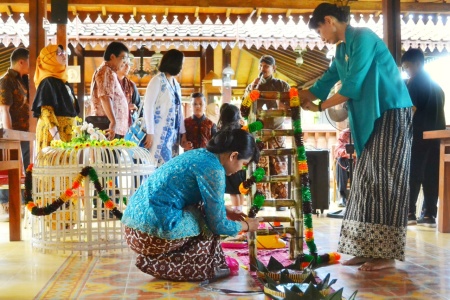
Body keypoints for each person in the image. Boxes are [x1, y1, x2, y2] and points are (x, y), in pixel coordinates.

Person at [300, 3, 412, 271]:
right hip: (371, 116)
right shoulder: (341, 50)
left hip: (391, 111)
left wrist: (318, 105)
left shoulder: (363, 37)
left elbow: (352, 86)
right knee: (365, 181)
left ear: (329, 20)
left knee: (385, 180)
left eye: (319, 31)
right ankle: (366, 249)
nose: (321, 37)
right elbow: (327, 80)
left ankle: (386, 256)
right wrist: (302, 95)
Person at [121, 129, 262, 281]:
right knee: (207, 218)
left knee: (205, 210)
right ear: (233, 156)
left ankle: (182, 263)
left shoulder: (200, 155)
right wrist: (246, 226)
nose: (240, 169)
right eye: (243, 164)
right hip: (149, 235)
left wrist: (226, 210)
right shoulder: (214, 169)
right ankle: (200, 267)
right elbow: (218, 225)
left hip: (132, 229)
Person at [401, 48, 446, 227]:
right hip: (437, 137)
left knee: (413, 172)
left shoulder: (416, 82)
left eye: (407, 67)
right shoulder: (437, 87)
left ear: (417, 64)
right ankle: (429, 215)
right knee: (431, 174)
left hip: (419, 135)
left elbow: (410, 110)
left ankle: (409, 213)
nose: (406, 71)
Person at [244, 54, 290, 211]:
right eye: (261, 66)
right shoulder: (253, 85)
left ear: (274, 68)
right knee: (260, 164)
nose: (263, 69)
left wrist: (279, 109)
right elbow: (245, 107)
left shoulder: (282, 85)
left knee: (280, 163)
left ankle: (282, 201)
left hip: (277, 129)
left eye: (266, 66)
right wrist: (253, 89)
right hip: (260, 130)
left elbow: (289, 105)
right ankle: (260, 200)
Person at [143, 49, 189, 167]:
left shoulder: (176, 84)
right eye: (181, 64)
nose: (182, 68)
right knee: (156, 166)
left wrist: (183, 132)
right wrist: (150, 132)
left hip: (173, 135)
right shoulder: (157, 81)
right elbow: (148, 107)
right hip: (158, 133)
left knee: (170, 168)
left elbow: (179, 110)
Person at [31, 45, 80, 153]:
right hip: (53, 135)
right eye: (59, 53)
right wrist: (56, 138)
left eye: (63, 52)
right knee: (55, 166)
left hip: (66, 134)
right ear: (49, 58)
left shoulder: (62, 82)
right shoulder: (47, 82)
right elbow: (46, 111)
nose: (64, 55)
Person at [0, 48, 30, 220]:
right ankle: (7, 206)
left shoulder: (22, 80)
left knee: (25, 170)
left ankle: (24, 205)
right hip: (13, 134)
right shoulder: (7, 80)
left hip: (24, 133)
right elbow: (4, 110)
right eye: (29, 61)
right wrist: (11, 135)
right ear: (21, 62)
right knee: (12, 169)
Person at [89, 41, 130, 140]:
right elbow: (105, 97)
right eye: (123, 58)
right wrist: (113, 122)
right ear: (112, 57)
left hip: (112, 127)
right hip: (108, 126)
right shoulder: (106, 71)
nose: (124, 62)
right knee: (108, 156)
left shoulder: (110, 72)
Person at [217, 103, 246, 213]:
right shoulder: (242, 130)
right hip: (240, 166)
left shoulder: (221, 132)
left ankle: (237, 212)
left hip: (229, 166)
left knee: (234, 192)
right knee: (239, 191)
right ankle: (239, 211)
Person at [116, 56, 141, 127]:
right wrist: (125, 107)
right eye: (124, 63)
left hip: (127, 126)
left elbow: (138, 107)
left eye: (129, 64)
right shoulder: (109, 83)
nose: (127, 67)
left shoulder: (131, 85)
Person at [334, 128, 354, 208]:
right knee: (340, 160)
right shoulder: (345, 133)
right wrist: (346, 152)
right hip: (347, 162)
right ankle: (343, 196)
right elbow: (338, 150)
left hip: (361, 161)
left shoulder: (366, 130)